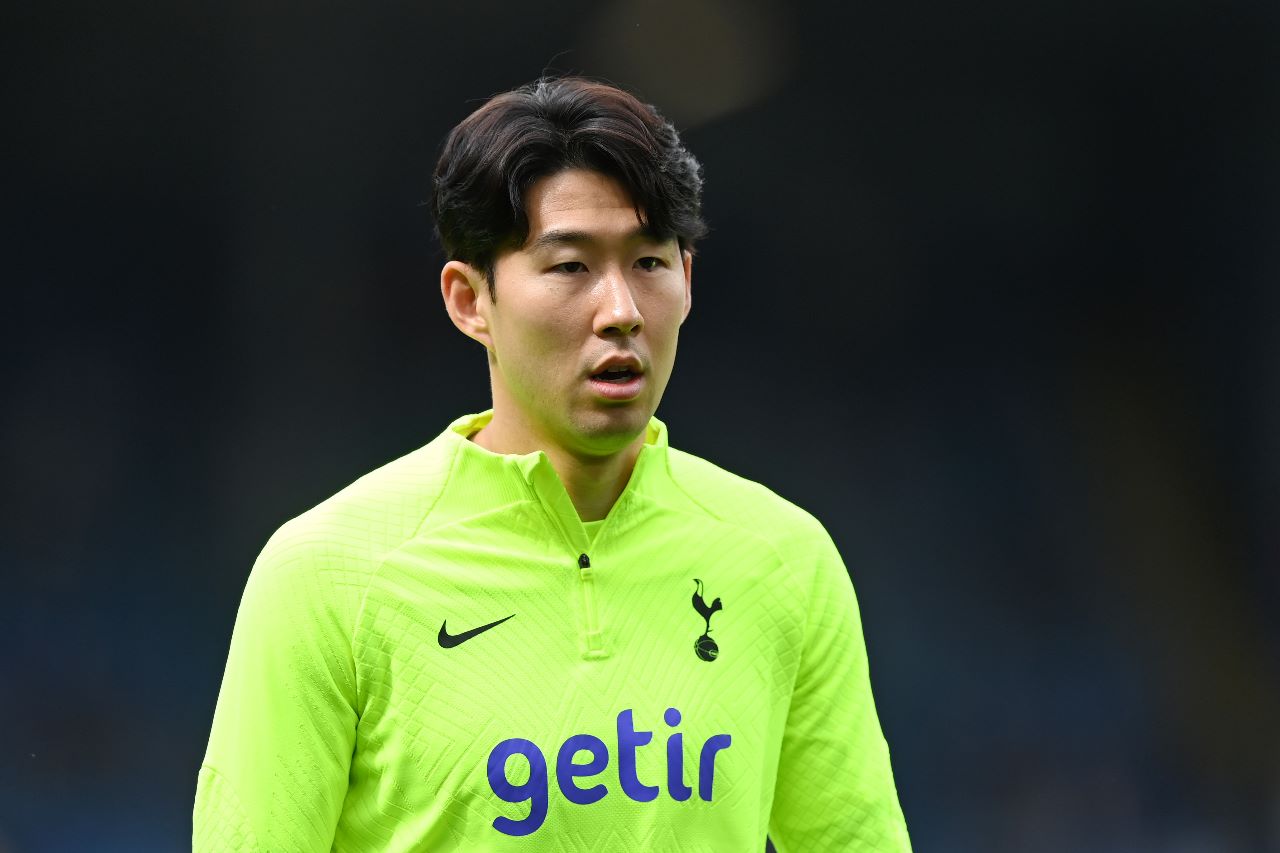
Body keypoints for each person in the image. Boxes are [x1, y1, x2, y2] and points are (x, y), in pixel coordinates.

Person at [194, 76, 910, 852]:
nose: (621, 310)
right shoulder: (326, 576)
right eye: (571, 266)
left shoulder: (785, 561)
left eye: (648, 262)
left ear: (688, 280)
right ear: (470, 300)